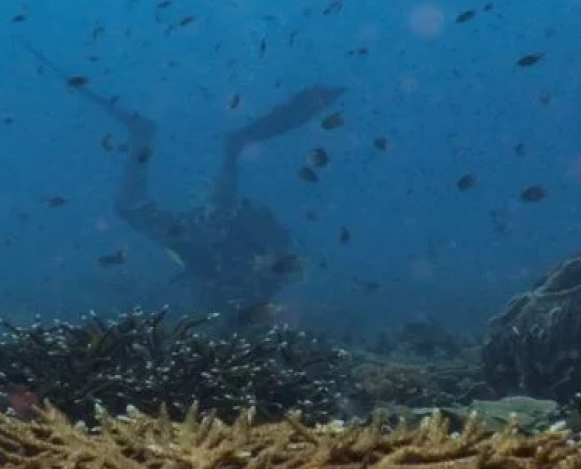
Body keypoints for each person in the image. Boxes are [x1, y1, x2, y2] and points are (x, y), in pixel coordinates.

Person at [28, 46, 345, 323]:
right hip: (211, 241)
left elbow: (253, 255)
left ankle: (149, 136)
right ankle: (174, 139)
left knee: (136, 208)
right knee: (150, 210)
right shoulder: (260, 280)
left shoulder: (256, 285)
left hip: (207, 244)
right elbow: (244, 245)